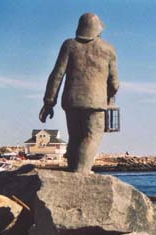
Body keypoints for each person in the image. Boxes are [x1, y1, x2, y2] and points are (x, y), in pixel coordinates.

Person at [39, 13, 119, 173]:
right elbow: (114, 83)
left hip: (72, 101)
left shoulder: (69, 45)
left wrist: (49, 102)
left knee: (75, 137)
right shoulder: (108, 49)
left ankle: (74, 171)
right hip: (96, 102)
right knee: (91, 137)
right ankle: (81, 174)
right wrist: (109, 97)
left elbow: (57, 75)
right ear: (98, 30)